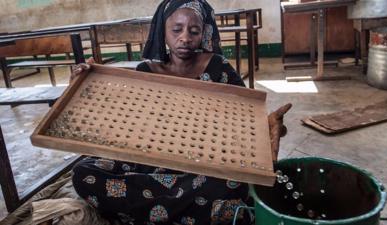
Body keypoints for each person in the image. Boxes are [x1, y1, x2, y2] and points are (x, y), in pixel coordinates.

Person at [71, 0, 291, 224]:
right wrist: (84, 90)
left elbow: (246, 119)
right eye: (176, 29)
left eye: (194, 31)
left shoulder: (218, 67)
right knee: (84, 174)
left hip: (205, 164)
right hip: (151, 161)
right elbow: (121, 121)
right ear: (163, 32)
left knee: (232, 182)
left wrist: (268, 126)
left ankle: (151, 210)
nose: (185, 38)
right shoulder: (146, 71)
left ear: (203, 33)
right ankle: (189, 210)